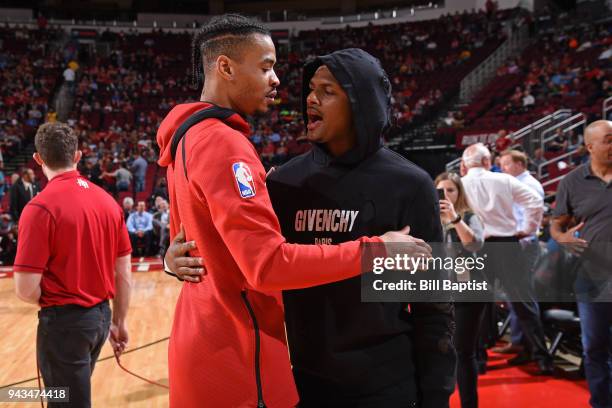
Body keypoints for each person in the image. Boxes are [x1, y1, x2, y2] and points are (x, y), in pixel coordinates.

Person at [156, 15, 421, 408]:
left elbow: (435, 297)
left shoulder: (188, 135)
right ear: (225, 67)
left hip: (220, 348)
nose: (281, 81)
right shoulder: (227, 146)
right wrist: (377, 250)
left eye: (327, 91)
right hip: (242, 362)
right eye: (266, 66)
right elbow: (266, 266)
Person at [13, 122, 132, 408]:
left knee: (64, 402)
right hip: (101, 320)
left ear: (39, 159)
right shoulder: (108, 202)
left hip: (65, 324)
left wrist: (66, 302)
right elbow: (123, 274)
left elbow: (26, 289)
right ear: (77, 156)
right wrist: (118, 322)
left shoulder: (39, 208)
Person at [461, 143, 553, 375]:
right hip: (507, 244)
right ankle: (542, 359)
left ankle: (479, 361)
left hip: (476, 248)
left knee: (477, 306)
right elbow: (535, 202)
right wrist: (527, 229)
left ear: (464, 165)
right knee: (524, 302)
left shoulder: (459, 185)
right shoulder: (503, 180)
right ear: (486, 161)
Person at [551, 120, 612, 408]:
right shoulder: (571, 182)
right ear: (590, 146)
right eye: (609, 139)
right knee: (595, 348)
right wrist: (563, 239)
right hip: (592, 276)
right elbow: (557, 225)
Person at [435, 172, 485, 408]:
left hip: (468, 290)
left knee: (463, 352)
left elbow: (473, 243)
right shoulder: (430, 217)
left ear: (459, 193)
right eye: (441, 190)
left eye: (451, 190)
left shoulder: (469, 217)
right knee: (440, 351)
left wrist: (454, 219)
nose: (446, 195)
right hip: (438, 289)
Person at [497, 149, 545, 355]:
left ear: (519, 164)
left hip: (524, 244)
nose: (502, 168)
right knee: (515, 295)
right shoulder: (515, 184)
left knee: (522, 295)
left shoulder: (529, 185)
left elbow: (530, 214)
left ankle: (528, 345)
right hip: (518, 243)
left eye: (506, 164)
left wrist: (522, 233)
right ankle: (521, 342)